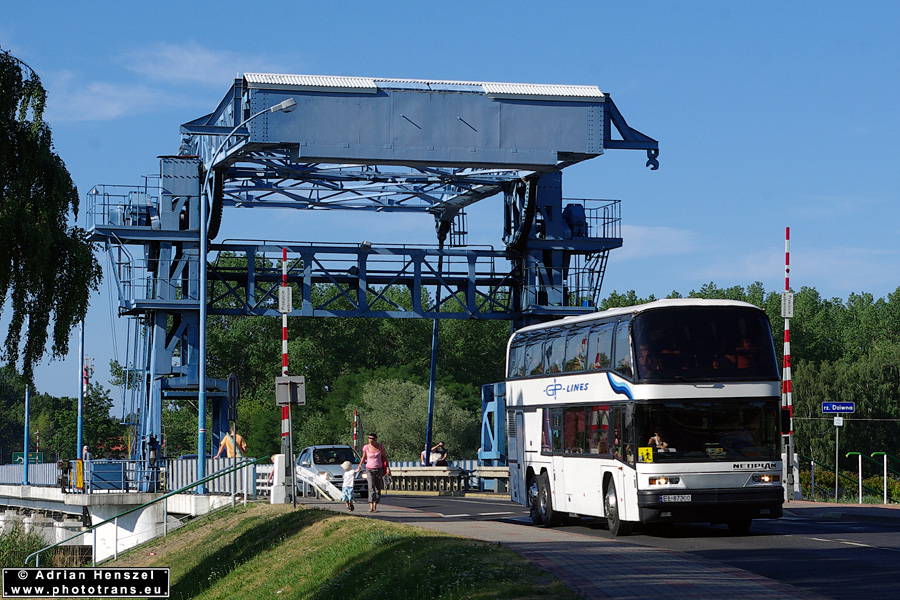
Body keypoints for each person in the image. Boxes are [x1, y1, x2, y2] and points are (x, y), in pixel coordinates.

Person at [355, 433, 389, 512]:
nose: (370, 440)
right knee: (371, 487)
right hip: (369, 469)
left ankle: (375, 505)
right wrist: (360, 465)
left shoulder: (380, 447)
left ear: (375, 439)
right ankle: (371, 506)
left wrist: (387, 467)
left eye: (372, 439)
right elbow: (364, 457)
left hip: (379, 469)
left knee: (377, 488)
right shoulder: (366, 447)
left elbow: (385, 457)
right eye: (369, 438)